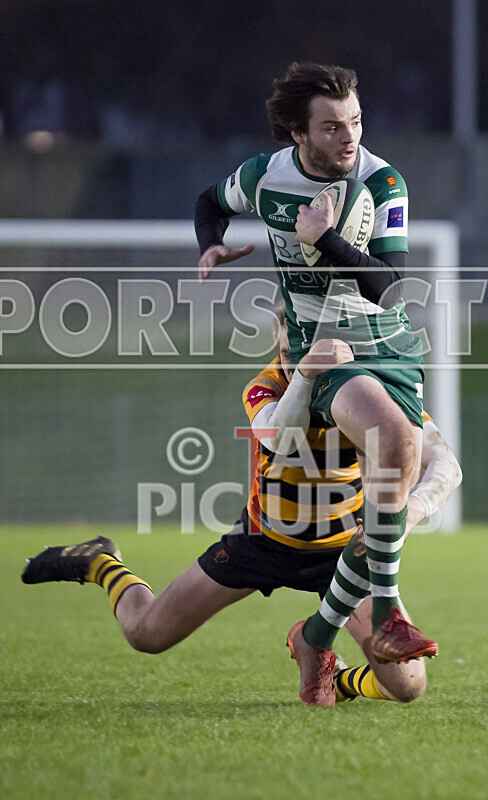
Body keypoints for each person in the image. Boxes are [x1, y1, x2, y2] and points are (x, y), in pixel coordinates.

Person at [21, 325, 462, 705]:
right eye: (292, 352)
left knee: (407, 686)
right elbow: (278, 440)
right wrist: (306, 374)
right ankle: (102, 562)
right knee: (146, 635)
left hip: (344, 553)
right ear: (278, 345)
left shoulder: (370, 392)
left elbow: (445, 465)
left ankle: (339, 676)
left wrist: (408, 512)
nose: (300, 360)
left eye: (310, 350)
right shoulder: (265, 386)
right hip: (263, 543)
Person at [195, 61, 438, 704]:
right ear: (296, 134)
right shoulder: (264, 176)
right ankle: (385, 614)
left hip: (391, 345)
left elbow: (390, 289)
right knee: (391, 435)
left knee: (405, 456)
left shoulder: (383, 181)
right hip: (325, 352)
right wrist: (211, 244)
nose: (348, 136)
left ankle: (317, 633)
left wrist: (323, 238)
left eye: (355, 121)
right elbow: (210, 203)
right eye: (331, 127)